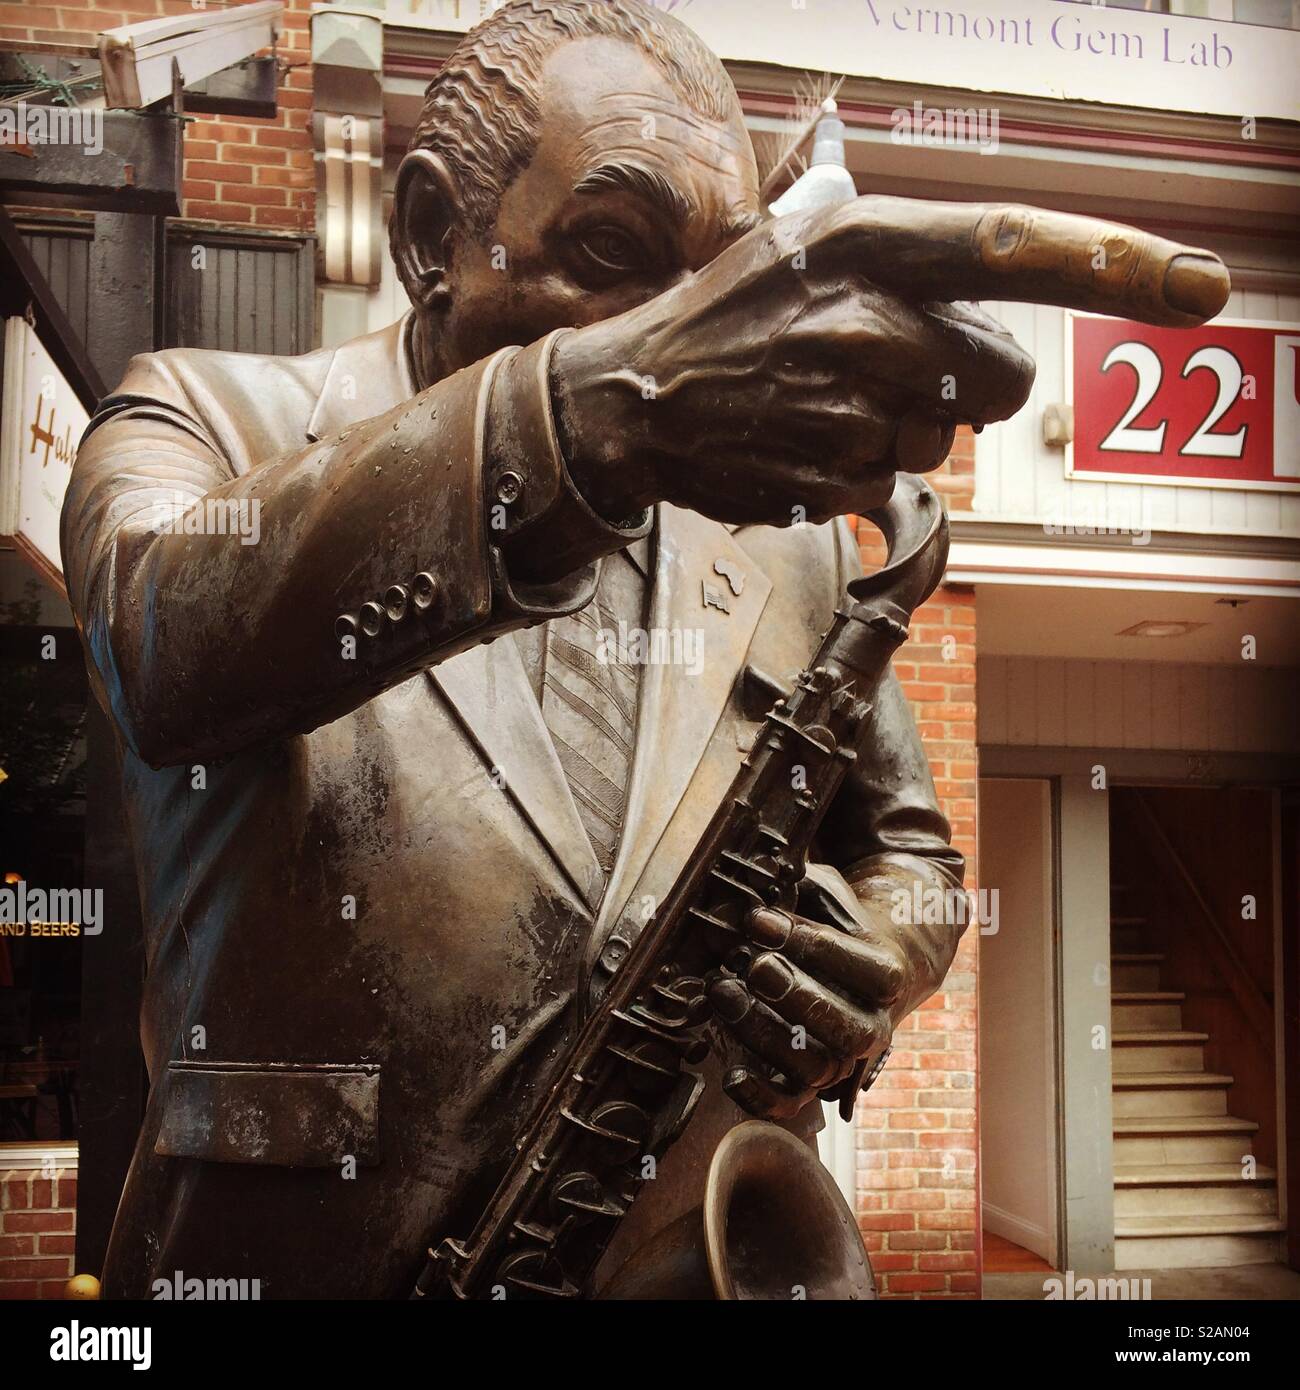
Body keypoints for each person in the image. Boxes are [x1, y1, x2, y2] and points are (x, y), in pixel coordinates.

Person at [61, 0, 1228, 1298]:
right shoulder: (201, 419)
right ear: (431, 234)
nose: (690, 324)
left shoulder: (801, 549)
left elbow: (912, 853)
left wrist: (880, 959)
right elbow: (163, 636)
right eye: (614, 247)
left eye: (716, 274)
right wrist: (582, 420)